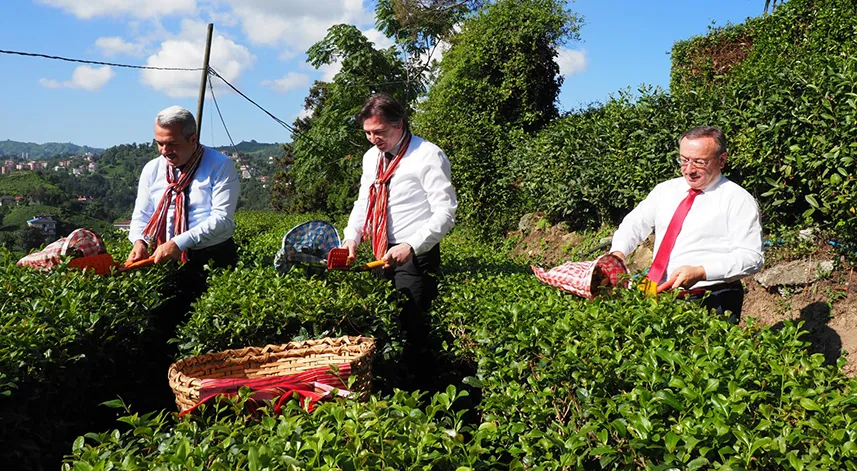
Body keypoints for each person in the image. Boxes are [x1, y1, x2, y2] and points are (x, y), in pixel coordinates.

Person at [342, 93, 457, 388]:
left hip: (414, 253)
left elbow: (445, 212)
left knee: (413, 330)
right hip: (380, 250)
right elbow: (363, 202)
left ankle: (424, 397)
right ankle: (390, 389)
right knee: (383, 327)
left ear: (399, 124)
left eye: (379, 132)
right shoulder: (372, 158)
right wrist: (351, 237)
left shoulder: (427, 155)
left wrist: (412, 246)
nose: (373, 139)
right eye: (368, 133)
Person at [609, 126, 763, 322]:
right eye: (684, 160)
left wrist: (701, 271)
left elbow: (751, 257)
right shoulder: (665, 190)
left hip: (712, 297)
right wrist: (618, 252)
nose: (689, 170)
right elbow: (635, 222)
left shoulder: (738, 200)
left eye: (700, 162)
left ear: (722, 160)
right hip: (657, 291)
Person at [127, 105, 240, 272]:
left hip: (212, 257)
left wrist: (178, 242)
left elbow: (222, 218)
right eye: (159, 144)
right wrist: (139, 241)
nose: (165, 151)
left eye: (172, 144)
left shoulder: (220, 165)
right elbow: (141, 215)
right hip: (163, 255)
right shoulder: (152, 169)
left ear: (193, 139)